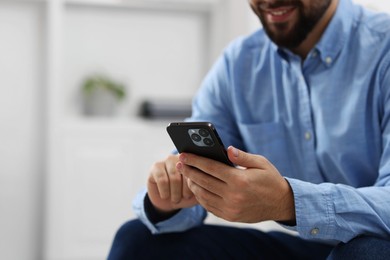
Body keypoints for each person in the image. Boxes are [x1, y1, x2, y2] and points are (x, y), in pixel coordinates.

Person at [108, 0, 390, 259]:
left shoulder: (383, 47)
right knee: (137, 239)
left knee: (367, 252)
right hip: (306, 248)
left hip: (372, 245)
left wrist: (288, 202)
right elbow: (191, 171)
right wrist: (170, 197)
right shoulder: (238, 64)